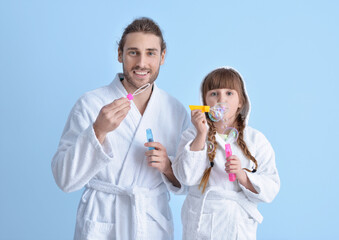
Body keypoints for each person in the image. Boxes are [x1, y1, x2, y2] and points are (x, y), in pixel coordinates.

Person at [51, 17, 189, 240]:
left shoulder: (175, 110)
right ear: (119, 54)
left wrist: (168, 168)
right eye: (133, 52)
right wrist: (98, 131)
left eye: (151, 53)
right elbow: (64, 179)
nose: (142, 63)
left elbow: (189, 182)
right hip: (102, 223)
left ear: (162, 56)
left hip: (151, 223)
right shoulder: (91, 104)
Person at [172, 67, 280, 240]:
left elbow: (271, 188)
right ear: (205, 102)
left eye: (229, 93)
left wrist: (242, 176)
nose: (221, 99)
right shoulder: (192, 135)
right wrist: (201, 134)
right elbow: (186, 177)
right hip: (201, 226)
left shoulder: (256, 140)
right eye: (214, 93)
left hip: (238, 225)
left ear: (241, 102)